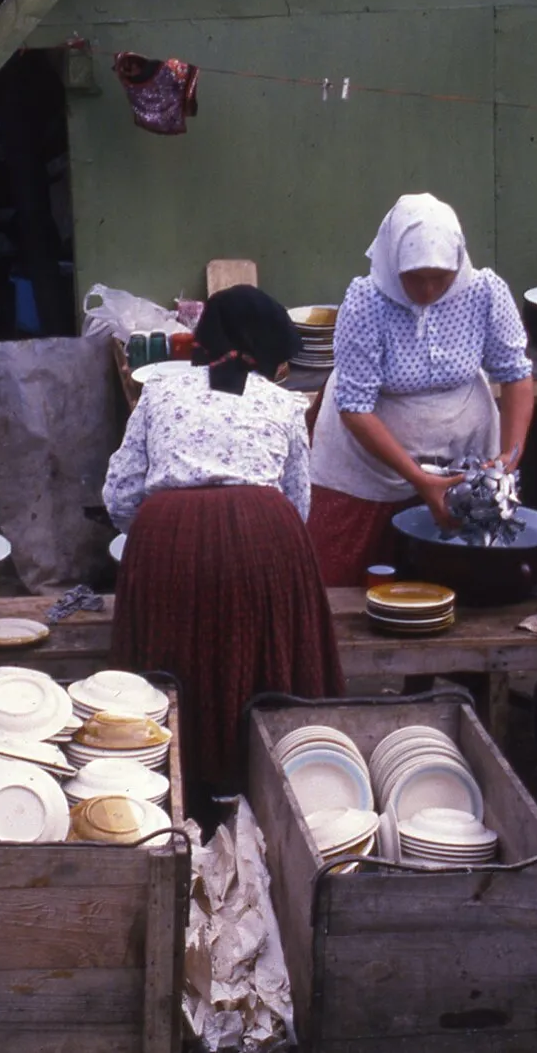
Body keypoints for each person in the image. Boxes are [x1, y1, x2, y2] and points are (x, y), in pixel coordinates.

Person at [103, 285, 342, 791]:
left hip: (169, 537)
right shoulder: (285, 406)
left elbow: (121, 494)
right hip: (264, 534)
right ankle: (271, 785)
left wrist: (157, 541)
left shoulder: (161, 393)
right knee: (258, 661)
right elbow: (296, 506)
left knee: (171, 664)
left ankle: (163, 789)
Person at [305, 193, 535, 586]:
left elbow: (515, 375)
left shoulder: (484, 293)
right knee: (346, 580)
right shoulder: (366, 301)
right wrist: (418, 478)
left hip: (464, 454)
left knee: (460, 573)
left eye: (440, 278)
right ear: (393, 263)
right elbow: (355, 406)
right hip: (367, 462)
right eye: (415, 278)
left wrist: (508, 460)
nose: (428, 291)